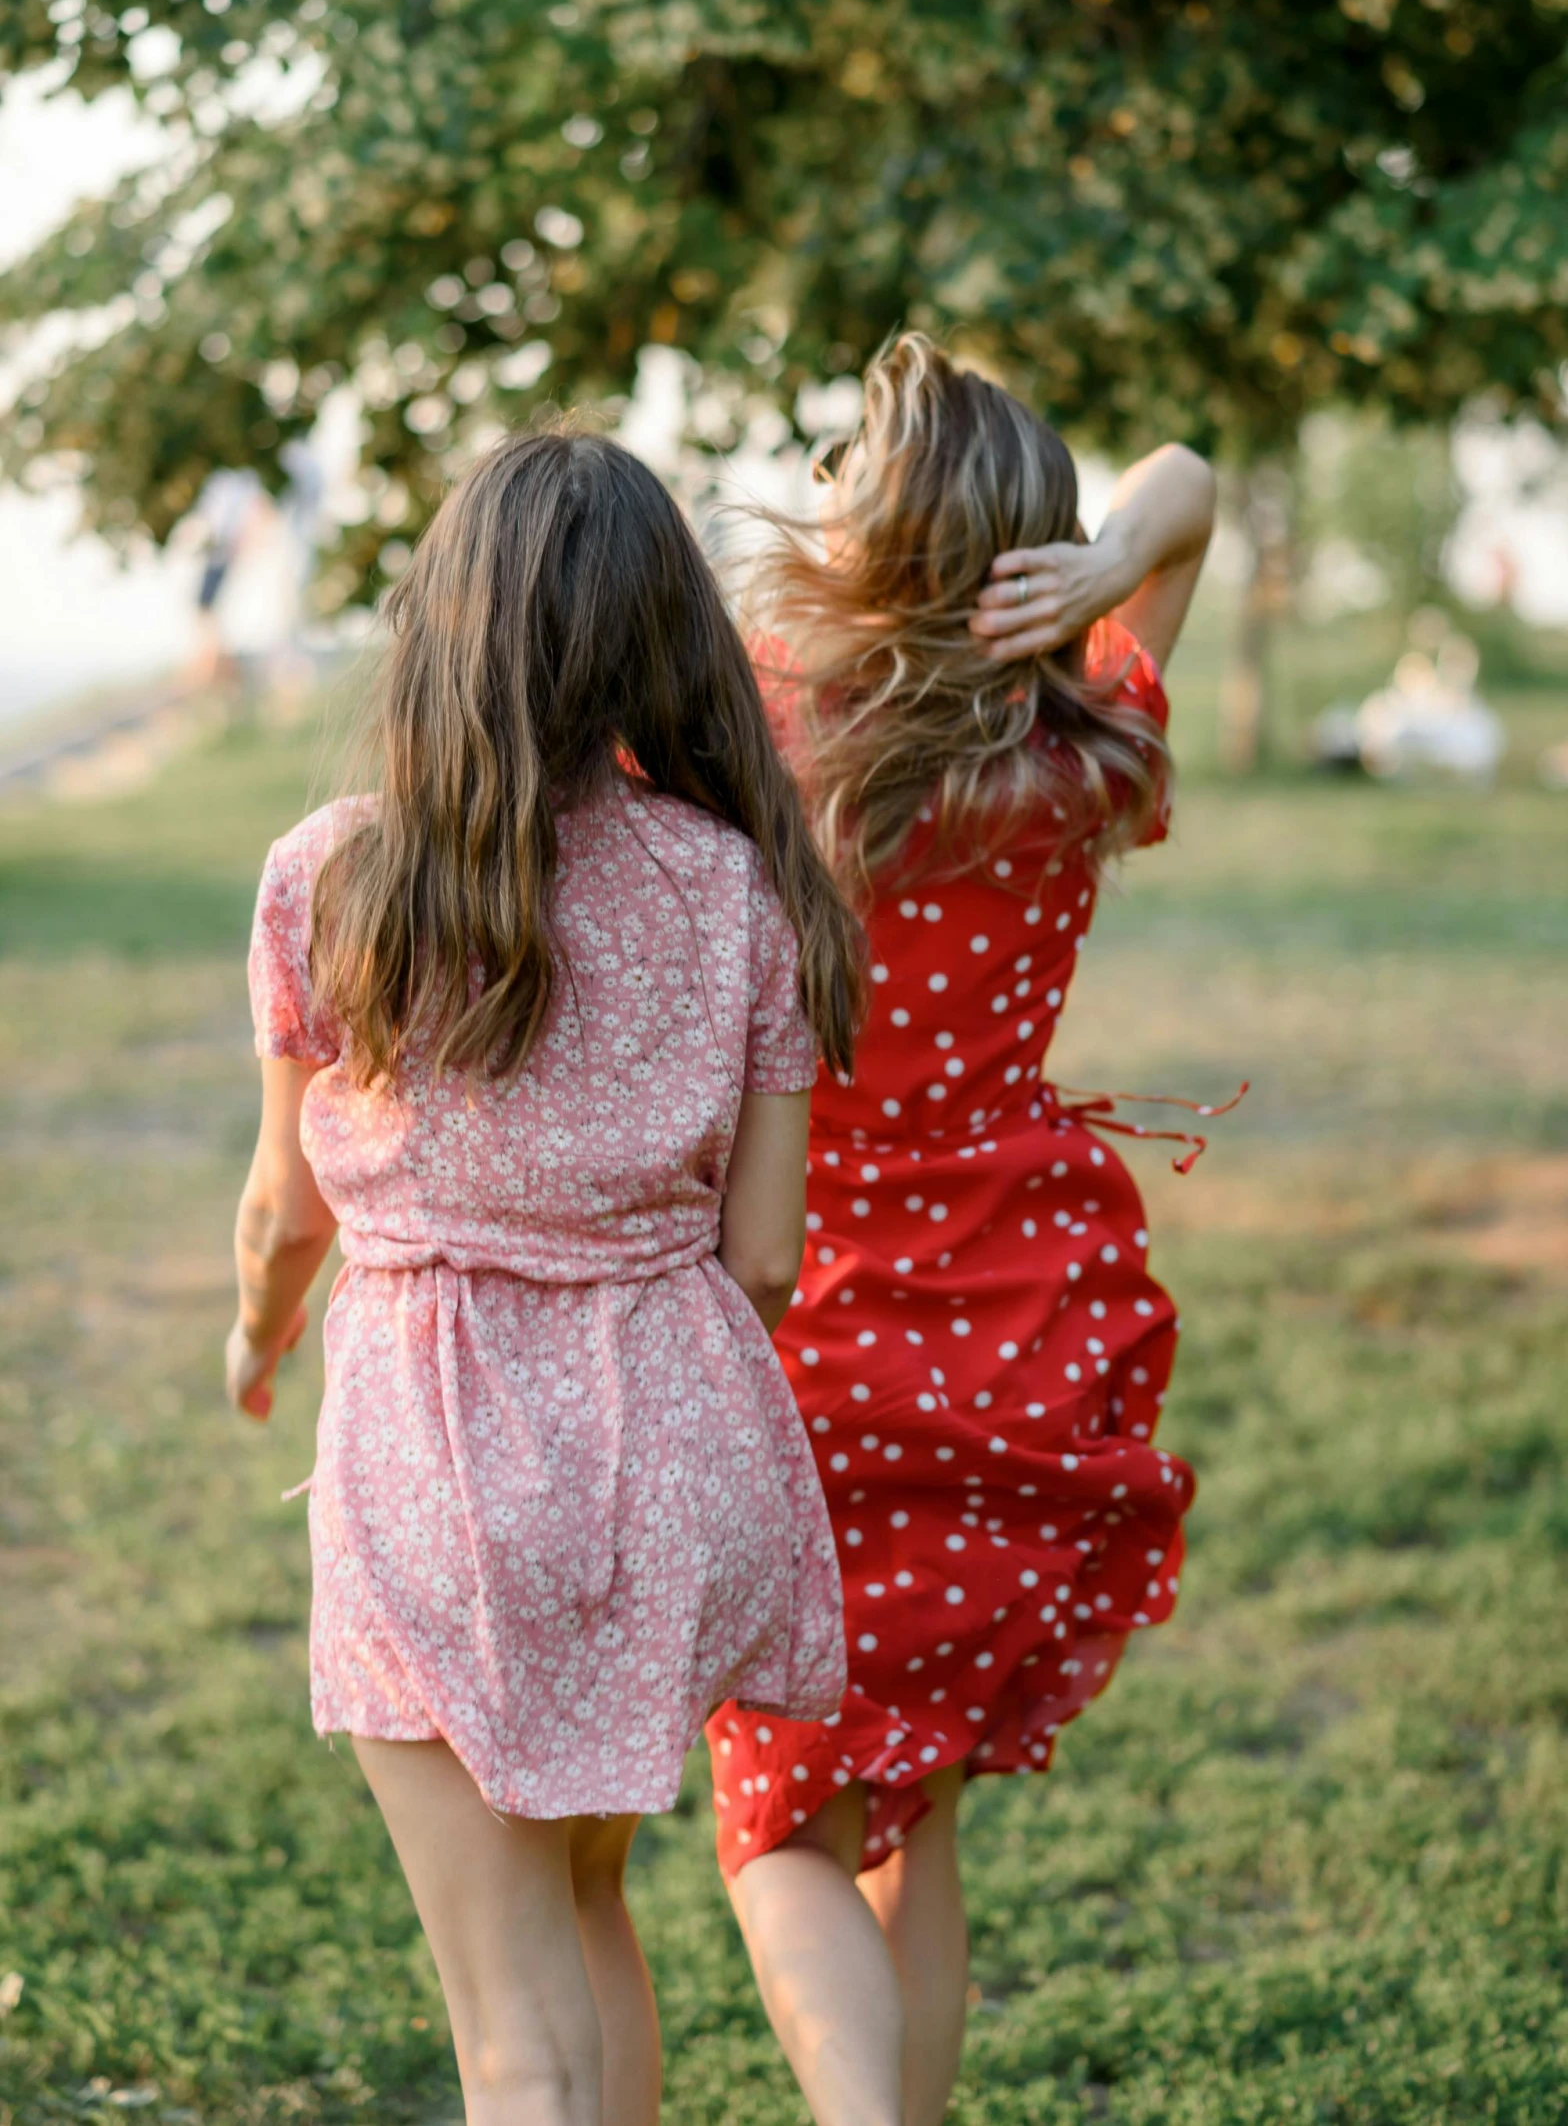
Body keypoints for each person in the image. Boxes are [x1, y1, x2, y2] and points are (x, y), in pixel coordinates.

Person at [221, 428, 865, 2126]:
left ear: (442, 623)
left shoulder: (333, 876)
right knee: (584, 1909)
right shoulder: (740, 885)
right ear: (669, 640)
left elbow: (286, 1209)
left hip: (442, 1465)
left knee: (511, 2033)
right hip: (682, 1456)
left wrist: (254, 1334)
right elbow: (770, 1254)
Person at [704, 334, 1219, 2126]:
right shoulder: (1089, 737)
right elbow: (1192, 487)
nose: (821, 481)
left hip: (814, 1326)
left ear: (880, 537)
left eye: (850, 465)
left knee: (783, 1830)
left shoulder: (763, 731)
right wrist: (1097, 567)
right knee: (911, 1828)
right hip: (1021, 1321)